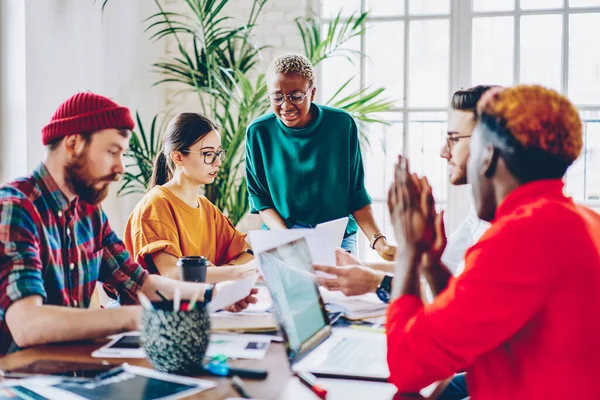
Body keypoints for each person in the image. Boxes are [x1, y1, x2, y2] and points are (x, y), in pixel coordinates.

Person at [0, 93, 257, 356]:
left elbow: (141, 283)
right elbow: (27, 325)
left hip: (76, 366)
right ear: (73, 144)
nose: (120, 167)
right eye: (112, 152)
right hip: (22, 377)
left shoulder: (89, 213)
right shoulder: (16, 208)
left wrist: (211, 296)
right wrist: (136, 318)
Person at [386, 85, 600, 399]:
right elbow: (470, 325)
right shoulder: (579, 219)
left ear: (487, 156)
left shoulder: (524, 235)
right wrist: (430, 263)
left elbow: (406, 367)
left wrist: (407, 250)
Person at [315, 86, 496, 300]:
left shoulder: (506, 231)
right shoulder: (480, 211)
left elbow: (460, 308)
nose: (443, 152)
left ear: (490, 146)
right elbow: (445, 282)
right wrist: (408, 256)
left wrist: (377, 282)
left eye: (454, 139)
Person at [245, 53, 396, 259]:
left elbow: (356, 194)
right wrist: (290, 241)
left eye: (296, 96)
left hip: (336, 237)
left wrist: (379, 242)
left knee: (340, 290)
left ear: (312, 92)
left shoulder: (342, 125)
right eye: (277, 96)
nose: (286, 106)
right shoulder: (258, 132)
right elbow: (261, 200)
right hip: (282, 233)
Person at [122, 112, 257, 282]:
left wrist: (220, 271)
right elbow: (173, 274)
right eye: (208, 154)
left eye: (218, 153)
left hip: (200, 302)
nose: (218, 162)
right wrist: (232, 273)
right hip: (160, 306)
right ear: (178, 157)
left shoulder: (206, 208)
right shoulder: (156, 204)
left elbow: (248, 254)